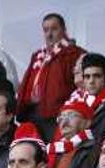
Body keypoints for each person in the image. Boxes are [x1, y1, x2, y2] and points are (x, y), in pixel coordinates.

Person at [16, 13, 85, 141]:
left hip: (55, 115)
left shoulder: (74, 53)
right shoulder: (37, 55)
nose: (49, 34)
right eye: (46, 30)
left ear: (64, 30)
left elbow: (80, 84)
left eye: (54, 29)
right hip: (33, 113)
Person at [46, 100, 98, 168]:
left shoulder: (94, 150)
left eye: (71, 115)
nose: (64, 122)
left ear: (87, 122)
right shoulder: (54, 149)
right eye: (61, 118)